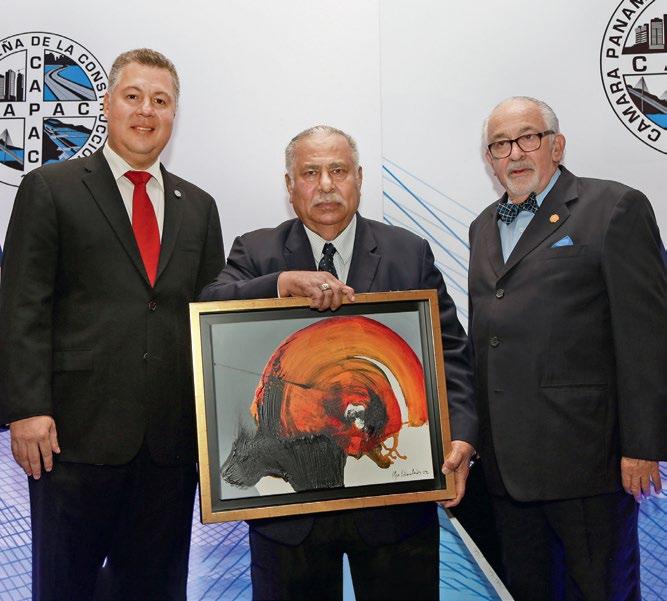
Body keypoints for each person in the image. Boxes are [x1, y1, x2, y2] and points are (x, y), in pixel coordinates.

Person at [200, 125, 477, 600]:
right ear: (289, 185)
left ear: (359, 178)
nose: (326, 184)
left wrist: (462, 437)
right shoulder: (257, 250)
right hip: (289, 514)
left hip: (395, 507)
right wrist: (280, 284)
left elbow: (451, 351)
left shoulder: (408, 250)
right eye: (310, 173)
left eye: (338, 170)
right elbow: (210, 306)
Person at [0, 48, 225, 600]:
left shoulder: (199, 206)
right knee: (65, 588)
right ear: (107, 105)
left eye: (160, 100)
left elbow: (212, 313)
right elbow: (22, 306)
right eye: (133, 96)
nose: (146, 110)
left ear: (174, 113)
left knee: (156, 589)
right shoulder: (50, 187)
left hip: (169, 449)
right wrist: (26, 409)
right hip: (71, 440)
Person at [468, 96, 667, 600]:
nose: (515, 152)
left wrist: (643, 445)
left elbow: (647, 335)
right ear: (489, 159)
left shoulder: (614, 207)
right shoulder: (482, 226)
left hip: (588, 463)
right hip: (506, 469)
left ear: (556, 146)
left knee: (601, 590)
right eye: (500, 144)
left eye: (527, 138)